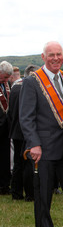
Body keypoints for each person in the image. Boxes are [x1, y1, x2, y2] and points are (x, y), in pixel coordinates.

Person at [19, 41, 63, 227]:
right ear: (43, 57)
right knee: (43, 198)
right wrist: (34, 144)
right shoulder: (32, 82)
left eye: (59, 54)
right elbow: (26, 117)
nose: (55, 58)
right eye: (51, 55)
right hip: (44, 149)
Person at [8, 64, 38, 201]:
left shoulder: (14, 87)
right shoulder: (29, 88)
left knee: (18, 163)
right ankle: (30, 194)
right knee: (27, 163)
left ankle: (16, 193)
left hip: (15, 129)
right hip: (26, 130)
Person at [0, 61, 13, 195]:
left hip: (6, 128)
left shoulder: (7, 85)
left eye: (7, 78)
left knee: (5, 157)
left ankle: (4, 184)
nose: (5, 81)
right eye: (4, 78)